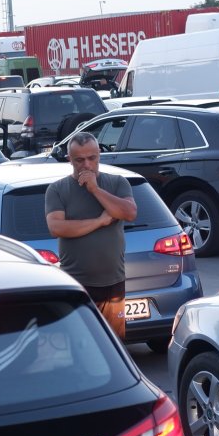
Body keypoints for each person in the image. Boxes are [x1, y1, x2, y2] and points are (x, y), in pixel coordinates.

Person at [44, 132, 137, 339]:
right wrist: (99, 221)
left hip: (113, 284)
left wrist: (95, 190)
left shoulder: (117, 183)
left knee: (115, 346)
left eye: (92, 158)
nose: (87, 165)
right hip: (76, 284)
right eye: (80, 160)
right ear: (70, 160)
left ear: (99, 156)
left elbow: (129, 213)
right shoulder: (58, 190)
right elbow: (57, 227)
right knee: (81, 346)